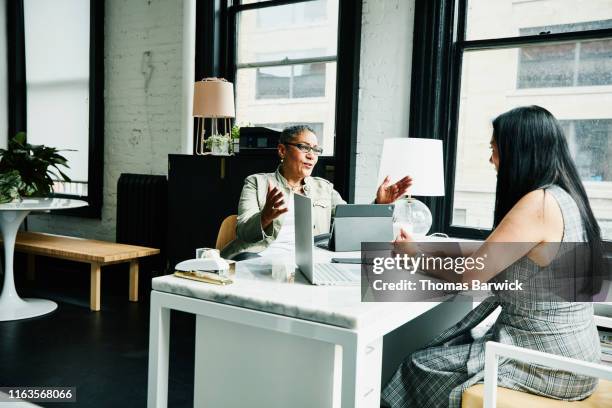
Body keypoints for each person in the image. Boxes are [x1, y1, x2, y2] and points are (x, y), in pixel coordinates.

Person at [382, 106, 604, 407]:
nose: (491, 159)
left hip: (547, 362)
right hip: (576, 353)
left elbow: (470, 275)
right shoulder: (566, 196)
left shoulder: (538, 203)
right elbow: (503, 254)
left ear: (521, 152)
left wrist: (414, 257)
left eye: (495, 149)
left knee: (418, 365)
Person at [220, 125, 412, 260]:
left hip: (308, 264)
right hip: (258, 258)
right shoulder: (257, 182)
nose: (312, 155)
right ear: (282, 150)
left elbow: (350, 222)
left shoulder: (324, 188)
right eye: (304, 147)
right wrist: (265, 217)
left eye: (316, 149)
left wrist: (379, 205)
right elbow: (243, 231)